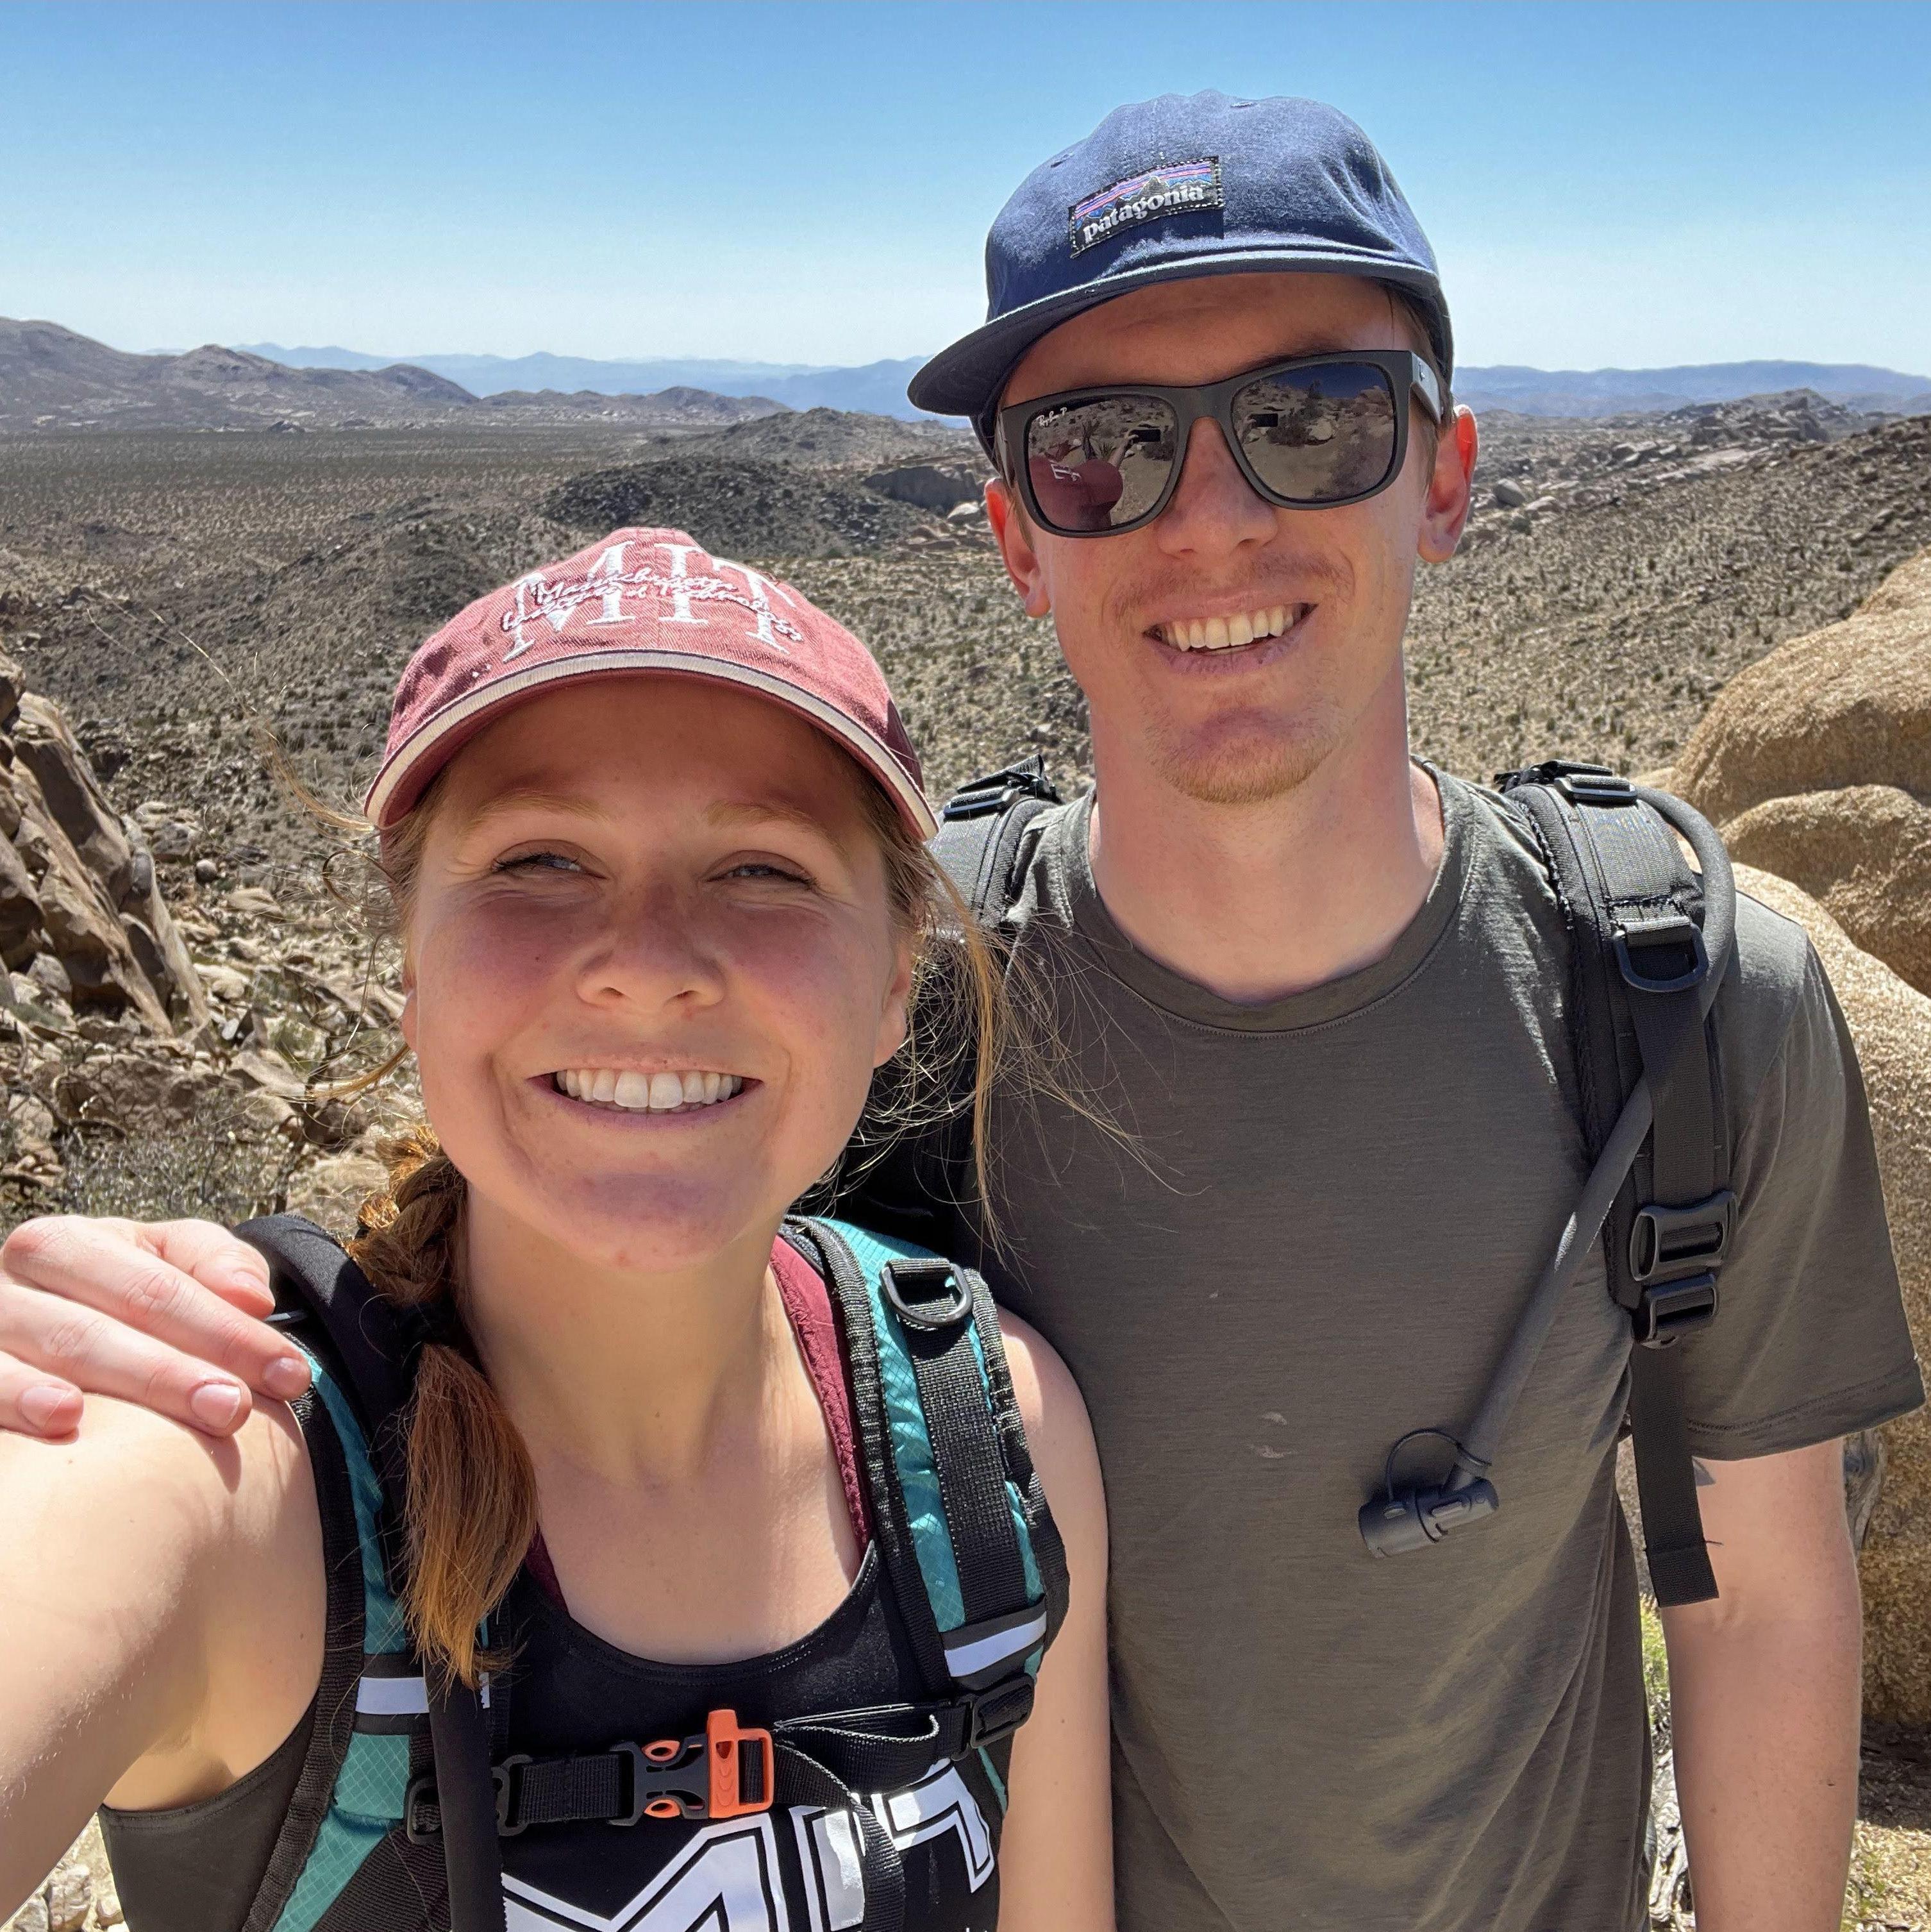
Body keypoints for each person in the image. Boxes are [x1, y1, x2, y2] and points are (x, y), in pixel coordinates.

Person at [0, 90, 1919, 1932]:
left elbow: (1750, 1593)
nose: (1212, 517)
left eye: (1310, 418)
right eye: (1102, 446)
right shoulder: (907, 1015)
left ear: (1447, 472)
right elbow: (554, 1243)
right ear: (1016, 537)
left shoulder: (1674, 999)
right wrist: (177, 1318)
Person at [0, 529, 1114, 1932]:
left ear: (896, 979)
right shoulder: (219, 1459)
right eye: (540, 859)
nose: (647, 966)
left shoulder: (986, 1439)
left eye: (762, 870)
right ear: (408, 959)